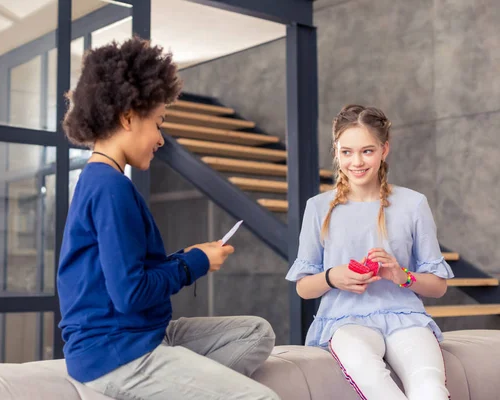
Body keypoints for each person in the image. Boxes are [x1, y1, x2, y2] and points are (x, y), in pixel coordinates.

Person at [57, 37, 280, 400]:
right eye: (158, 123)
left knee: (256, 333)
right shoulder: (110, 187)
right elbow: (131, 294)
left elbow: (127, 276)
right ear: (128, 118)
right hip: (118, 353)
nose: (161, 138)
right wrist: (194, 263)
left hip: (142, 334)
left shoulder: (101, 180)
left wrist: (189, 257)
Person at [286, 104, 454, 400]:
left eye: (367, 151)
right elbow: (304, 287)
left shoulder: (414, 204)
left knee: (430, 386)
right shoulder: (317, 207)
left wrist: (401, 276)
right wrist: (331, 276)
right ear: (336, 151)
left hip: (407, 319)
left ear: (384, 150)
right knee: (372, 379)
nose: (357, 162)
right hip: (345, 322)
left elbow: (438, 286)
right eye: (346, 151)